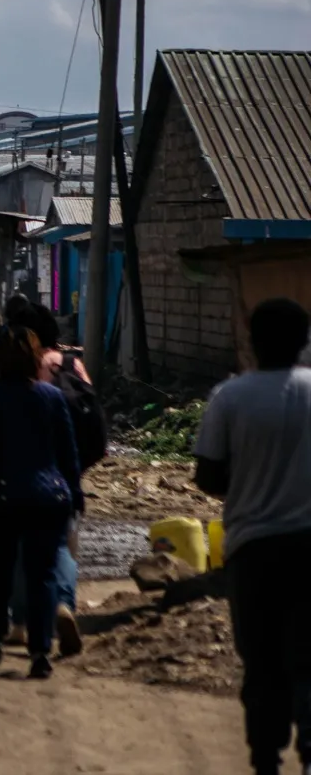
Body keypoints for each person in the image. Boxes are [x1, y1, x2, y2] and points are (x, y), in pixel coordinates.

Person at [194, 297, 311, 774]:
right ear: (304, 341)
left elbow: (207, 476)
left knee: (261, 660)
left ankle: (266, 757)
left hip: (252, 549)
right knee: (308, 656)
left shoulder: (230, 397)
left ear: (251, 341)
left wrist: (248, 484)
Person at [0, 322, 82, 679]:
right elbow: (68, 455)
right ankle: (41, 651)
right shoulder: (52, 397)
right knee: (42, 574)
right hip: (48, 497)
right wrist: (74, 496)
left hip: (2, 496)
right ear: (36, 359)